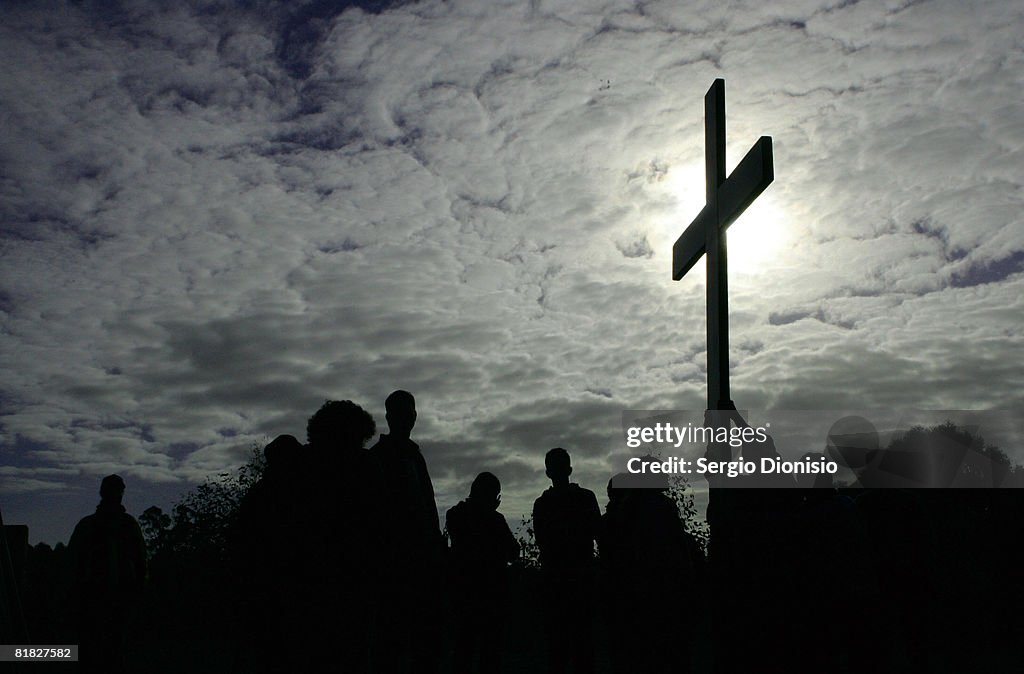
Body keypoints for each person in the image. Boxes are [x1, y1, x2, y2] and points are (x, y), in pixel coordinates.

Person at [370, 390, 444, 674]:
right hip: (394, 564)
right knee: (391, 641)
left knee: (421, 643)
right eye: (401, 413)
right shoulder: (380, 457)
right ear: (389, 417)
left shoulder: (414, 455)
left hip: (421, 562)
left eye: (410, 412)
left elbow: (426, 506)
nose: (408, 418)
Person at [68, 474, 147, 674]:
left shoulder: (125, 525)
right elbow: (73, 564)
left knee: (110, 650)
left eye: (118, 490)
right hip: (95, 597)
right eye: (115, 490)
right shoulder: (95, 526)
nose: (117, 494)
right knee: (98, 651)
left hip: (116, 597)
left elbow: (140, 562)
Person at [532, 448, 601, 674]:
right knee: (583, 647)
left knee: (558, 650)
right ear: (569, 469)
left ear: (547, 472)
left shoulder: (542, 504)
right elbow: (598, 534)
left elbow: (542, 540)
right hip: (581, 580)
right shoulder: (586, 498)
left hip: (555, 582)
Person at [446, 472, 520, 674]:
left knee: (465, 650)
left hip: (465, 593)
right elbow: (513, 552)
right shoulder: (495, 520)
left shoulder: (455, 515)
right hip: (490, 595)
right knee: (488, 653)